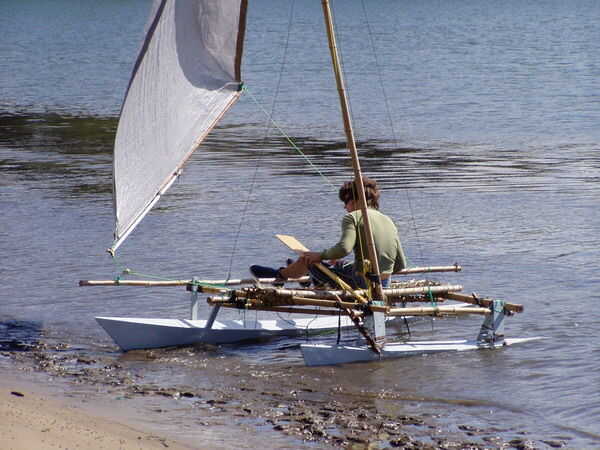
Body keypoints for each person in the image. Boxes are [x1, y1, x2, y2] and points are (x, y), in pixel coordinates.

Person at [250, 177, 407, 288]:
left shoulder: (352, 217)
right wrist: (381, 273)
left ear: (355, 201)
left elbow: (344, 248)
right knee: (339, 264)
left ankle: (280, 276)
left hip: (361, 282)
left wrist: (321, 255)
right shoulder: (388, 220)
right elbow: (400, 264)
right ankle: (308, 276)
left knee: (309, 258)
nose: (345, 207)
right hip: (384, 283)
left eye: (346, 202)